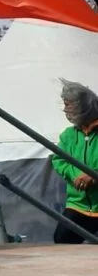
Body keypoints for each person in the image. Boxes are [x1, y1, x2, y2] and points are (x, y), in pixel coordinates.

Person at [50, 79, 98, 244]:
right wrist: (77, 175)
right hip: (78, 204)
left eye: (68, 104)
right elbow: (59, 161)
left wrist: (94, 175)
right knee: (62, 239)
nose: (65, 110)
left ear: (83, 106)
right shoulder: (68, 135)